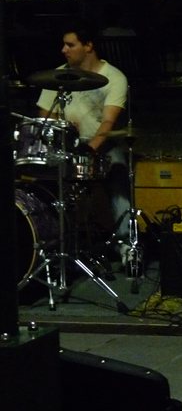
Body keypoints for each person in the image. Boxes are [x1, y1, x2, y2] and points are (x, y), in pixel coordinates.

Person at [35, 19, 131, 262]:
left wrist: (90, 149)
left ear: (88, 46)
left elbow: (108, 123)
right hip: (67, 143)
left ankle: (126, 244)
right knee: (41, 178)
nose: (63, 50)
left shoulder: (114, 77)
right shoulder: (57, 77)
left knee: (118, 175)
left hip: (101, 143)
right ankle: (50, 241)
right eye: (64, 45)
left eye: (70, 45)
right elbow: (45, 118)